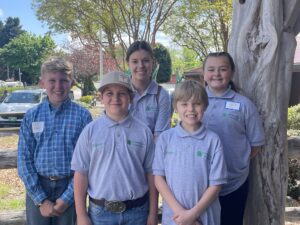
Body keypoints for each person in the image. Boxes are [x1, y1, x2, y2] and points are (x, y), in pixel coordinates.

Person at [71, 71, 157, 225]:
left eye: (122, 93)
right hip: (100, 214)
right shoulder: (90, 131)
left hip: (137, 213)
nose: (115, 98)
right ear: (101, 98)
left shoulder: (143, 132)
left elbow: (151, 175)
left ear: (131, 98)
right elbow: (81, 174)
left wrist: (152, 213)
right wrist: (81, 215)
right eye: (109, 93)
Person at [17, 57, 93, 225]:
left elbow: (87, 161)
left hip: (71, 187)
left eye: (63, 81)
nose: (58, 86)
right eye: (52, 80)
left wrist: (67, 197)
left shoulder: (83, 116)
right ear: (42, 82)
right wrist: (40, 199)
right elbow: (24, 159)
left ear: (72, 83)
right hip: (38, 187)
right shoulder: (31, 116)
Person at [201, 52, 265, 225]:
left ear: (232, 73)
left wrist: (237, 162)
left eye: (223, 69)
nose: (216, 74)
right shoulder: (194, 102)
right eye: (211, 69)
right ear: (204, 73)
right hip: (199, 184)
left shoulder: (244, 105)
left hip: (233, 184)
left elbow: (255, 145)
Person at [153, 80, 228, 225]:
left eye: (197, 103)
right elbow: (158, 179)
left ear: (205, 106)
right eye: (184, 104)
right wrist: (181, 214)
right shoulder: (166, 138)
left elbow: (216, 184)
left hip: (205, 217)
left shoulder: (213, 140)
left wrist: (193, 215)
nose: (191, 109)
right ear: (175, 107)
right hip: (175, 218)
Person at [126, 40, 172, 141]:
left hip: (151, 154)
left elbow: (160, 138)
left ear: (153, 62)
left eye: (146, 60)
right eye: (135, 61)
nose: (141, 65)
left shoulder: (162, 96)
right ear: (128, 64)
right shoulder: (120, 92)